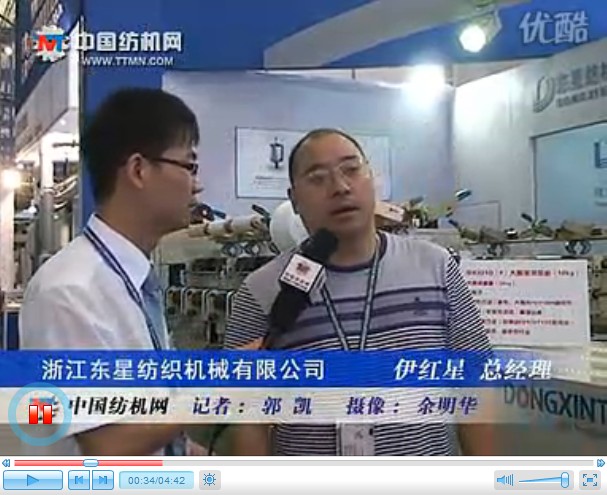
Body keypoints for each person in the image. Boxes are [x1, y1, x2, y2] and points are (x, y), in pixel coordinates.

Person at [224, 128, 494, 456]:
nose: (340, 187)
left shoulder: (436, 267)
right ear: (294, 199)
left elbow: (475, 387)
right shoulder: (260, 291)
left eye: (351, 169)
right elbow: (247, 419)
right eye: (317, 178)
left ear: (372, 179)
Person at [19, 88, 206, 456]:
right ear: (138, 170)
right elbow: (109, 443)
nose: (197, 184)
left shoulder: (132, 281)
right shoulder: (70, 292)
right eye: (190, 166)